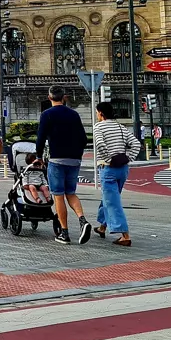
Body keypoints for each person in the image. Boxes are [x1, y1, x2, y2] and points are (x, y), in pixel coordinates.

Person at [35, 85, 93, 245]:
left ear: (49, 98)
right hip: (74, 159)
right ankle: (82, 220)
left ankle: (64, 233)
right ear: (64, 97)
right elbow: (83, 138)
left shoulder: (47, 114)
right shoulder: (74, 115)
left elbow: (40, 138)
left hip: (57, 159)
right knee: (71, 193)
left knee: (58, 195)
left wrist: (39, 156)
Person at [93, 101, 139, 246]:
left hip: (109, 168)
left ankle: (125, 235)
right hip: (123, 168)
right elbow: (136, 144)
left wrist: (108, 159)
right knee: (109, 197)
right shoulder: (121, 127)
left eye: (96, 112)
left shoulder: (98, 127)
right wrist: (127, 157)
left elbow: (100, 144)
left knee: (112, 202)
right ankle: (102, 226)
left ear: (100, 113)